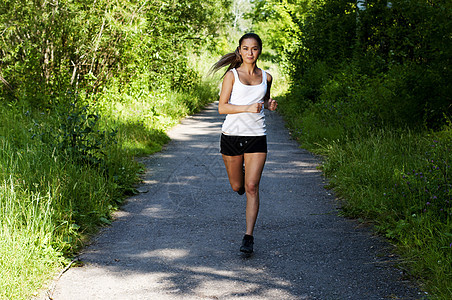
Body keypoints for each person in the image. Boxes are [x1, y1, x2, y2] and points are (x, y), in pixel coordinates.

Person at [211, 33, 278, 254]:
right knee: (237, 186)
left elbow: (265, 100)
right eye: (246, 48)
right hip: (232, 136)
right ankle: (240, 175)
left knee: (252, 187)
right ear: (240, 51)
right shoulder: (231, 76)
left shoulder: (266, 77)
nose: (250, 53)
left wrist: (270, 105)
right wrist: (247, 108)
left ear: (260, 51)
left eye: (255, 48)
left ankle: (248, 237)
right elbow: (222, 107)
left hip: (257, 136)